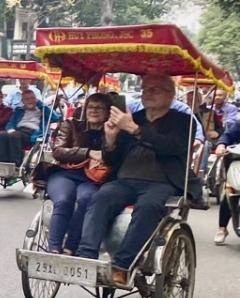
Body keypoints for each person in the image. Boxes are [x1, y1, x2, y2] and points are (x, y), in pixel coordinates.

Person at [76, 73, 196, 285]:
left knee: (148, 206)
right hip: (125, 179)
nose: (148, 93)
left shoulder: (183, 121)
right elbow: (112, 157)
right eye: (145, 89)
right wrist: (111, 138)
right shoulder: (135, 116)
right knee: (102, 197)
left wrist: (133, 128)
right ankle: (86, 256)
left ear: (170, 95)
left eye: (155, 89)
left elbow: (171, 148)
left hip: (162, 182)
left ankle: (123, 265)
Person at [44, 93, 111, 255]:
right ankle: (54, 248)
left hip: (94, 178)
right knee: (63, 201)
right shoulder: (71, 125)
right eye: (91, 107)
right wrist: (88, 153)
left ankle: (70, 248)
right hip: (65, 173)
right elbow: (58, 151)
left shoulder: (112, 130)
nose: (94, 111)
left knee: (86, 200)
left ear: (108, 111)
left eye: (99, 108)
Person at [0, 89, 57, 167]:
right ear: (22, 101)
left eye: (32, 98)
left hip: (33, 133)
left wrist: (40, 104)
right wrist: (10, 129)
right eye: (27, 99)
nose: (30, 101)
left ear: (36, 99)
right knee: (2, 134)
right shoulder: (19, 110)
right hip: (18, 131)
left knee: (14, 135)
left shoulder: (43, 110)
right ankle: (3, 163)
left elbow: (56, 117)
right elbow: (10, 124)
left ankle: (15, 164)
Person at [212, 117, 240, 245]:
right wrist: (221, 145)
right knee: (230, 191)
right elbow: (227, 135)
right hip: (237, 161)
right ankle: (222, 229)